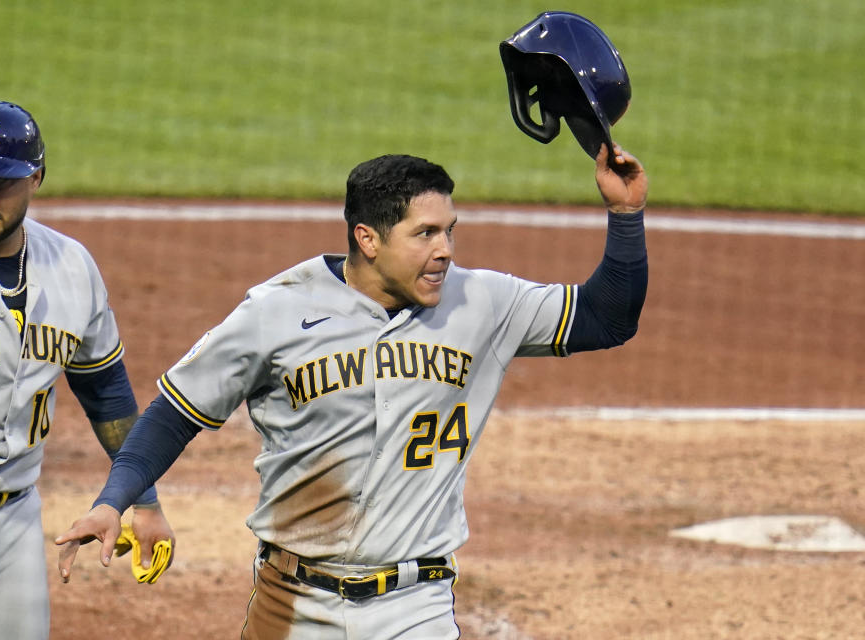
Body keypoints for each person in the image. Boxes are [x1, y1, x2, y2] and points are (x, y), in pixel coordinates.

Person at [56, 142, 648, 638]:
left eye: (449, 231)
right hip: (291, 604)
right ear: (368, 238)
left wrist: (625, 214)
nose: (445, 250)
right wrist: (115, 500)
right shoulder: (278, 311)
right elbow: (174, 414)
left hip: (415, 608)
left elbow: (607, 317)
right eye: (425, 234)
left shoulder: (483, 303)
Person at [0, 101, 174, 640]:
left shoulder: (71, 266)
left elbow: (107, 394)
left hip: (15, 521)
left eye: (0, 181)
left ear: (36, 179)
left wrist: (143, 501)